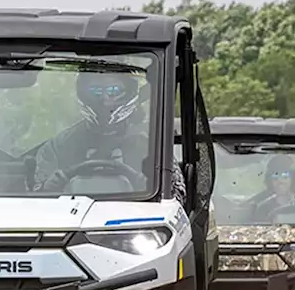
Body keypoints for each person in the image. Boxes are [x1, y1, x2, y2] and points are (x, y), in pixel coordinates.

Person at [30, 69, 186, 205]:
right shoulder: (58, 146)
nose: (104, 100)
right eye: (95, 91)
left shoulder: (153, 145)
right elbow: (37, 198)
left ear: (129, 93)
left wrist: (143, 184)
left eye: (113, 90)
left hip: (135, 223)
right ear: (82, 93)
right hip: (69, 223)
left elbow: (177, 198)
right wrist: (56, 182)